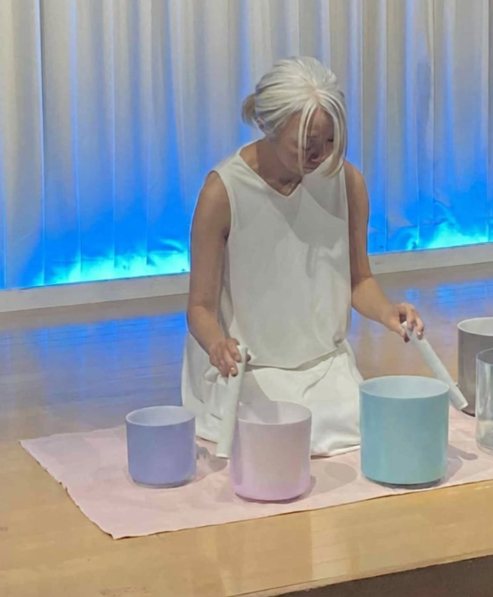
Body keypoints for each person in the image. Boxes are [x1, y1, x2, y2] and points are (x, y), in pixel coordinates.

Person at [181, 56, 424, 456]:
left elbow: (359, 279)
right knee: (274, 434)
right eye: (307, 145)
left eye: (330, 142)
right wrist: (217, 346)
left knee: (352, 420)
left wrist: (387, 312)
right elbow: (200, 307)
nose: (320, 155)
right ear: (268, 126)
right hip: (249, 366)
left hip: (322, 362)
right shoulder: (222, 191)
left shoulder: (347, 181)